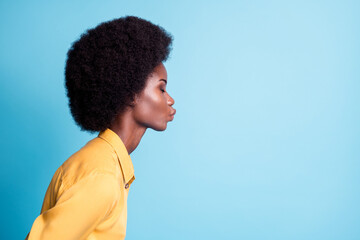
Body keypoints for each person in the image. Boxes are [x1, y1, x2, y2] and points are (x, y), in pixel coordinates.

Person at [25, 16, 175, 240]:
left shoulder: (107, 164)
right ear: (131, 94)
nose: (170, 99)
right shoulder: (101, 175)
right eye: (161, 89)